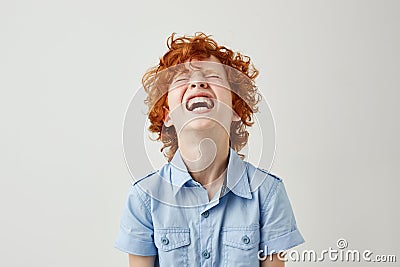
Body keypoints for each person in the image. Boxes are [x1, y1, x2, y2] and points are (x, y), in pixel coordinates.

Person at [115, 32, 305, 267]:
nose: (198, 82)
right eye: (183, 79)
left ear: (236, 110)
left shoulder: (268, 194)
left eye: (212, 76)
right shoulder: (144, 198)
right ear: (167, 116)